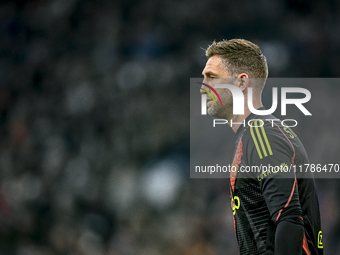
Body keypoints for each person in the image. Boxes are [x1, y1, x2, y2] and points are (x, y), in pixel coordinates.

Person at [200, 39, 323, 255]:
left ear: (241, 83)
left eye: (211, 77)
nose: (203, 88)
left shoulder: (261, 132)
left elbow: (289, 218)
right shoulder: (253, 134)